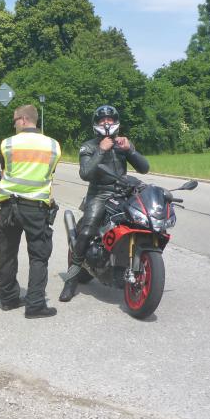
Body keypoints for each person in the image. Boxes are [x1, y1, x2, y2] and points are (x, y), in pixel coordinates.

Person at [59, 105, 150, 302]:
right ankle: (71, 281)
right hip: (99, 193)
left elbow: (144, 168)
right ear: (96, 124)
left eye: (110, 119)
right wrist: (101, 150)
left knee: (142, 221)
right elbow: (85, 173)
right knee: (86, 231)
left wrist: (131, 150)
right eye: (102, 120)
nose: (106, 123)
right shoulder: (89, 146)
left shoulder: (122, 144)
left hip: (123, 192)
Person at [0, 104, 61, 318]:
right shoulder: (53, 146)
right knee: (39, 256)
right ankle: (35, 305)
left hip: (9, 207)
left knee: (7, 254)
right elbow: (50, 174)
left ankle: (8, 299)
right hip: (36, 208)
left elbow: (4, 172)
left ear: (23, 119)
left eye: (14, 121)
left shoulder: (7, 144)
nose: (14, 125)